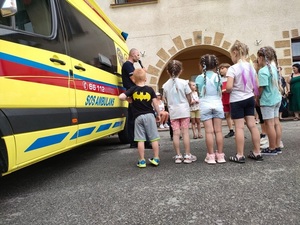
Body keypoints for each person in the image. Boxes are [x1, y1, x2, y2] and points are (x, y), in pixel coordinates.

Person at [226, 41, 263, 163]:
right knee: (252, 125)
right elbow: (256, 85)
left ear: (235, 53)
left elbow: (229, 87)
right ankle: (257, 152)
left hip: (237, 100)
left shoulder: (232, 68)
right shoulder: (251, 67)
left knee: (239, 127)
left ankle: (240, 155)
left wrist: (226, 90)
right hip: (249, 98)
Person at [119, 68, 161, 168]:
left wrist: (129, 99)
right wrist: (158, 114)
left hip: (138, 117)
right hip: (150, 116)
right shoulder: (150, 89)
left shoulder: (133, 89)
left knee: (140, 139)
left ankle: (142, 161)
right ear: (145, 79)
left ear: (133, 80)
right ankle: (156, 158)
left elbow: (121, 97)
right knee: (154, 138)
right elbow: (155, 103)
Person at [162, 60, 197, 164]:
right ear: (180, 71)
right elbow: (189, 97)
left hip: (173, 112)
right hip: (184, 111)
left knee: (176, 134)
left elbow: (165, 99)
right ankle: (187, 155)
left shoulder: (165, 85)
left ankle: (178, 155)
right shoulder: (184, 83)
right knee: (185, 133)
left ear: (167, 71)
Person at [195, 54, 225, 164]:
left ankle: (211, 156)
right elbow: (220, 90)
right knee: (218, 131)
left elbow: (199, 92)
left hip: (205, 104)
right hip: (217, 103)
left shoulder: (199, 78)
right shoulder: (218, 77)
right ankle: (220, 156)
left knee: (209, 132)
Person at [121, 48, 151, 148]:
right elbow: (134, 79)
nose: (139, 57)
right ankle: (137, 141)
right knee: (136, 116)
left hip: (133, 92)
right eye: (138, 55)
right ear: (133, 54)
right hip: (132, 92)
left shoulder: (131, 66)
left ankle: (137, 141)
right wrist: (142, 71)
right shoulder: (127, 65)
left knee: (134, 116)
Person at [257, 46, 282, 155]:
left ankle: (272, 148)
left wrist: (257, 97)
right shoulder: (274, 68)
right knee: (276, 122)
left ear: (261, 57)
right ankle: (277, 145)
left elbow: (261, 87)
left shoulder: (263, 71)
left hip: (268, 100)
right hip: (277, 98)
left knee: (269, 124)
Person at [219, 63, 235, 138]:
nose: (220, 70)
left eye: (222, 68)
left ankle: (238, 130)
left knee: (235, 115)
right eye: (220, 69)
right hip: (224, 98)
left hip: (232, 98)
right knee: (227, 115)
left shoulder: (231, 77)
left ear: (228, 68)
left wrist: (226, 90)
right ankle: (231, 130)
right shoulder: (220, 79)